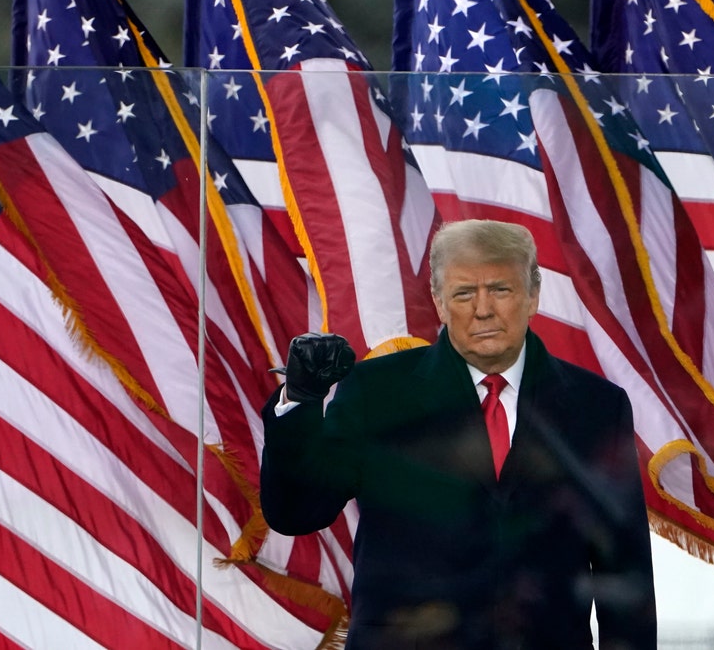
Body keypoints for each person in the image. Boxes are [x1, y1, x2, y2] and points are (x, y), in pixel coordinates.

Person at [260, 219, 656, 649]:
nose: (483, 310)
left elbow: (623, 569)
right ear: (439, 301)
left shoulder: (595, 405)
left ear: (533, 294)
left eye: (500, 290)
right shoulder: (377, 392)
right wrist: (301, 400)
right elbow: (295, 512)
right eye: (464, 293)